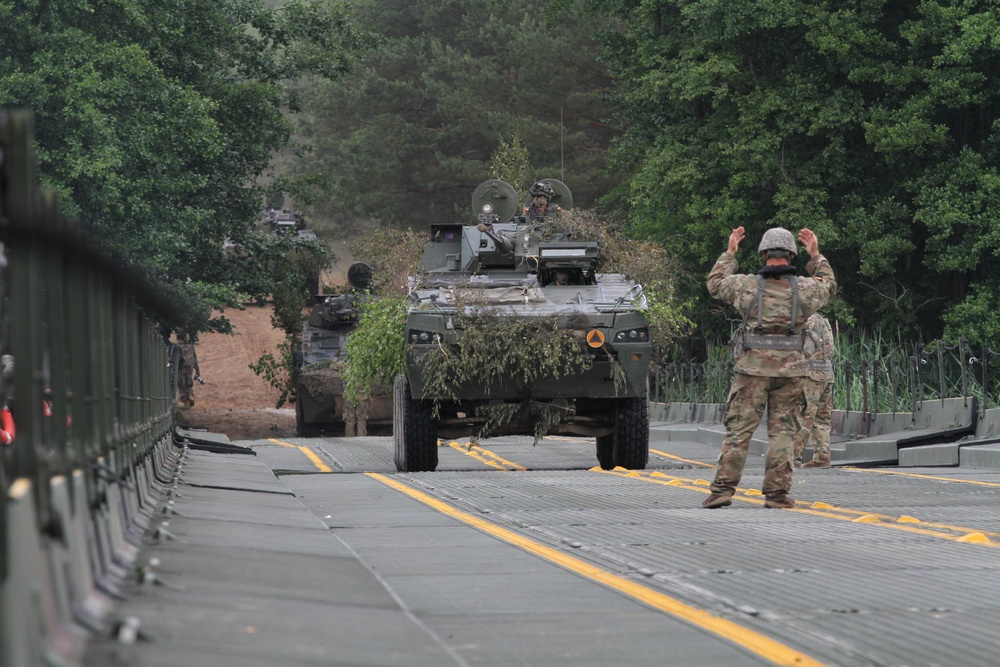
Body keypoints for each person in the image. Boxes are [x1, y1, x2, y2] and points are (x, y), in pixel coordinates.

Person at [702, 226, 836, 509]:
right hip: (791, 373)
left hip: (751, 371)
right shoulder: (806, 288)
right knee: (784, 433)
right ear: (791, 254)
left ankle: (722, 491)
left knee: (739, 431)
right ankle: (776, 495)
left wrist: (730, 253)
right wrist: (816, 255)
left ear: (764, 255)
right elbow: (829, 284)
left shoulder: (745, 285)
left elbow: (714, 283)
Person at [793, 312, 835, 468]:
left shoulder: (807, 320)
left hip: (811, 375)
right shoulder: (824, 320)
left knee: (804, 417)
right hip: (827, 374)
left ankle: (794, 458)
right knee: (822, 419)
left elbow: (801, 347)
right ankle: (822, 457)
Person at [174, 329, 201, 408]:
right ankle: (189, 396)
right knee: (188, 383)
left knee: (181, 385)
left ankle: (185, 401)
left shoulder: (177, 346)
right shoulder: (190, 345)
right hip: (190, 367)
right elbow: (194, 357)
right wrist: (197, 370)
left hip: (181, 368)